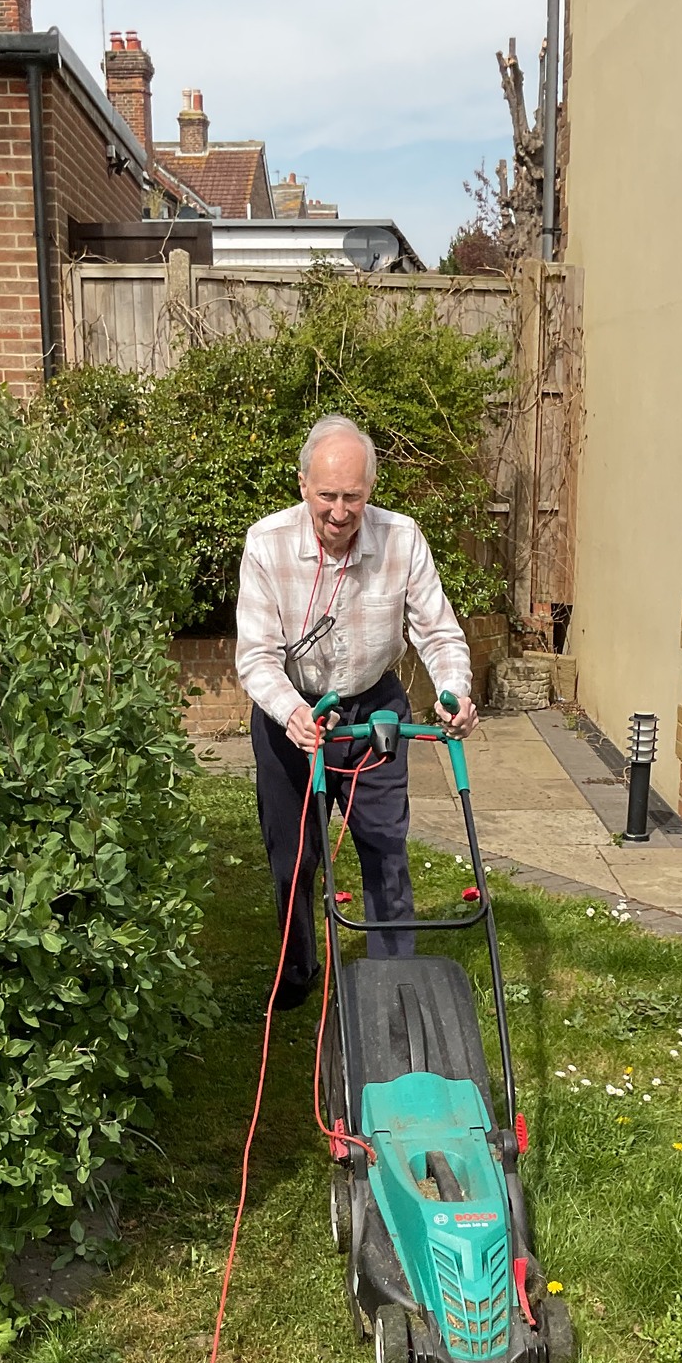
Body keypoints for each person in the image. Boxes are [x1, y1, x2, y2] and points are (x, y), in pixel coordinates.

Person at [235, 413, 480, 1009]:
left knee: (385, 846)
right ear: (302, 484)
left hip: (375, 711)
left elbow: (439, 632)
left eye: (352, 496)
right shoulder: (266, 544)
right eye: (327, 496)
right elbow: (256, 657)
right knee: (293, 857)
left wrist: (454, 690)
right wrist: (291, 712)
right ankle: (297, 966)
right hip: (293, 714)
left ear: (370, 488)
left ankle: (394, 987)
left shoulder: (402, 538)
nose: (340, 512)